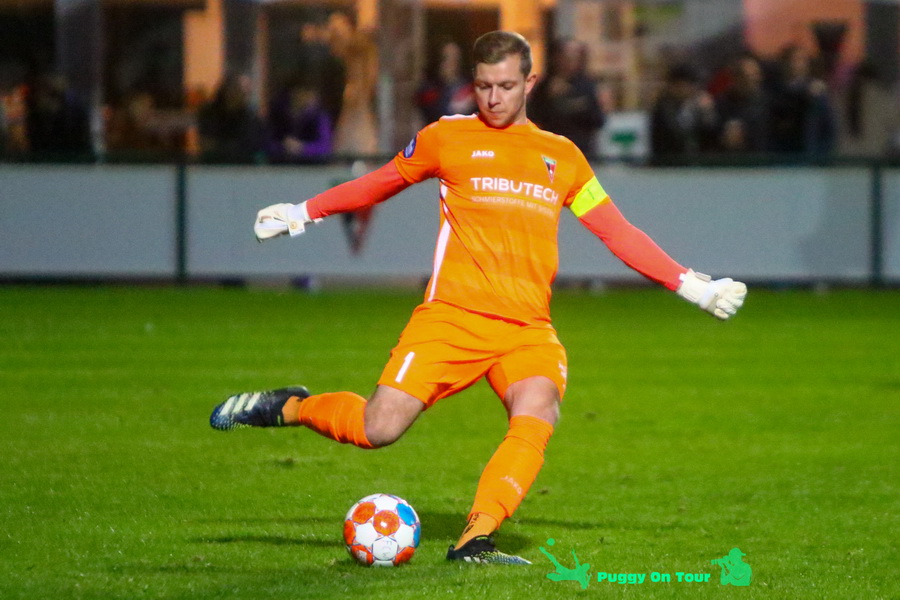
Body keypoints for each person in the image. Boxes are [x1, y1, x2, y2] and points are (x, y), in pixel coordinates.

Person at [209, 31, 747, 565]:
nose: (493, 98)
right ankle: (292, 406)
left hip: (526, 329)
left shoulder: (561, 156)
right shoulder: (448, 138)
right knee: (378, 428)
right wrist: (301, 213)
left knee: (539, 408)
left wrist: (694, 285)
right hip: (452, 319)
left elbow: (617, 232)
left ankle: (475, 540)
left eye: (506, 86)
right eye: (484, 86)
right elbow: (381, 182)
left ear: (530, 83)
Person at [529, 38, 605, 158]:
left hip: (581, 150)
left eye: (574, 57)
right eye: (565, 57)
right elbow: (534, 116)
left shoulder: (586, 85)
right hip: (552, 149)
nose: (569, 62)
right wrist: (550, 98)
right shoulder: (545, 86)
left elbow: (597, 119)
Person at [650, 64, 719, 162]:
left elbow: (710, 136)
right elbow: (660, 143)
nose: (683, 89)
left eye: (687, 85)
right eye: (679, 86)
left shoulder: (700, 107)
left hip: (700, 163)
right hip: (672, 164)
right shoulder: (662, 110)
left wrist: (707, 113)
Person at [265, 84, 333, 163]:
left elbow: (325, 147)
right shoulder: (279, 116)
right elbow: (268, 143)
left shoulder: (320, 118)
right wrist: (283, 147)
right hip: (281, 165)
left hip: (311, 166)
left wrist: (302, 148)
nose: (306, 98)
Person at [416, 40, 476, 124]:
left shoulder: (470, 86)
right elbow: (433, 113)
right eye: (447, 58)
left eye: (456, 58)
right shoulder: (429, 89)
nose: (452, 63)